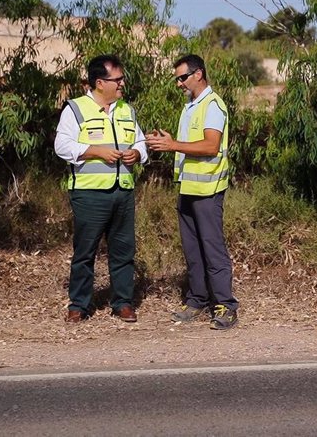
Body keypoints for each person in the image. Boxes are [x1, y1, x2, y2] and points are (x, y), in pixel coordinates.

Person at [146, 54, 238, 330]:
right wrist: (166, 142)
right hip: (188, 188)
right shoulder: (191, 105)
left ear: (198, 74)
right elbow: (186, 144)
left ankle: (226, 306)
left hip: (207, 190)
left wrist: (173, 145)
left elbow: (211, 146)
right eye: (177, 78)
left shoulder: (212, 105)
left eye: (182, 77)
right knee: (193, 250)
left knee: (212, 250)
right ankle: (197, 300)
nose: (179, 83)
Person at [54, 54, 147, 323]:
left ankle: (123, 303)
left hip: (123, 192)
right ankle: (79, 305)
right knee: (85, 252)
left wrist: (138, 155)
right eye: (116, 79)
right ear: (99, 82)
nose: (122, 84)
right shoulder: (76, 109)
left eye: (122, 79)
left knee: (123, 250)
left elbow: (140, 142)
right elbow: (62, 146)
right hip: (89, 194)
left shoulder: (126, 110)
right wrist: (95, 152)